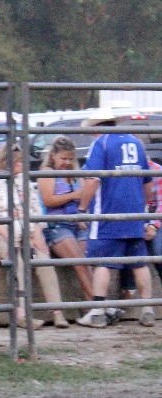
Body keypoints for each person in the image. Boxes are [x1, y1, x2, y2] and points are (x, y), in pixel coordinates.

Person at [77, 108, 156, 328]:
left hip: (108, 213)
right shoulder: (136, 143)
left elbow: (92, 180)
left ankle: (98, 311)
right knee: (138, 262)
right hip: (134, 213)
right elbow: (147, 182)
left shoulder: (101, 144)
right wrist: (145, 207)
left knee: (103, 262)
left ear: (97, 127)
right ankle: (148, 308)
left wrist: (82, 208)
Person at [0, 143, 70, 328]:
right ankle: (21, 314)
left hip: (27, 231)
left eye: (22, 161)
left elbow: (35, 210)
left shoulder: (24, 182)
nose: (22, 165)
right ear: (6, 162)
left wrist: (36, 234)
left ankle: (57, 311)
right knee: (16, 264)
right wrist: (11, 237)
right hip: (2, 233)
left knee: (43, 261)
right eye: (18, 162)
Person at [37, 136, 94, 302]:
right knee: (80, 263)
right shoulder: (46, 172)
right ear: (53, 155)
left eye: (70, 159)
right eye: (63, 158)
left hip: (77, 223)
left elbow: (86, 197)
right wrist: (74, 195)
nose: (67, 162)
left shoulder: (77, 174)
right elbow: (48, 200)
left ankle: (94, 305)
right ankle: (97, 306)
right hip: (56, 226)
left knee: (89, 263)